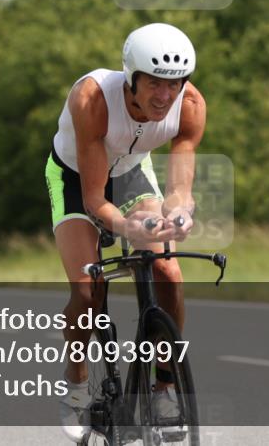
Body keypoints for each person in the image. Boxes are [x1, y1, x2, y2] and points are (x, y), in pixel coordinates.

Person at [45, 23, 206, 442]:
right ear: (131, 77)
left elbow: (178, 191)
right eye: (154, 83)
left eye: (174, 84)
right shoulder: (92, 99)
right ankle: (78, 378)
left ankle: (165, 388)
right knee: (87, 288)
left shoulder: (189, 105)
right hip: (76, 179)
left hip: (134, 175)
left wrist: (181, 214)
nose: (164, 96)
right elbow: (97, 200)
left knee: (167, 271)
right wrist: (126, 224)